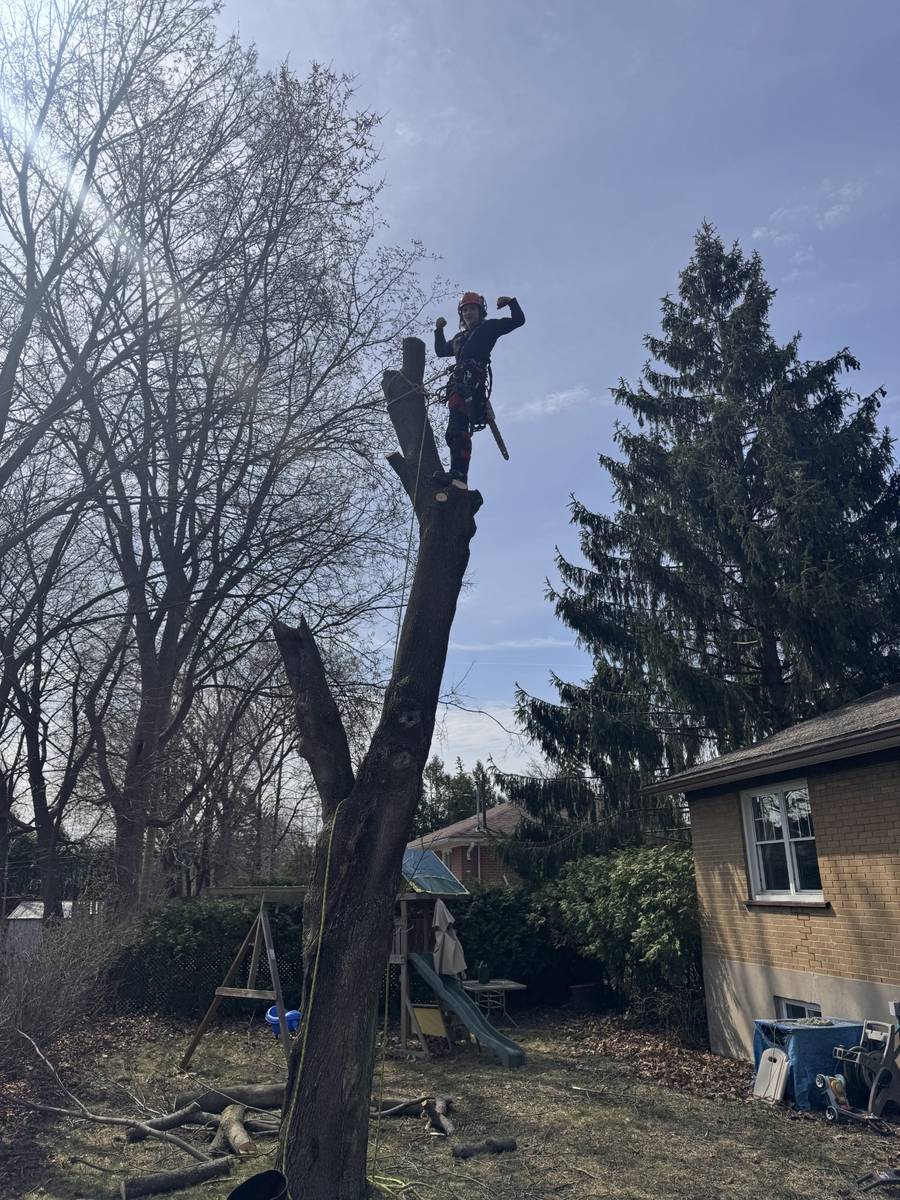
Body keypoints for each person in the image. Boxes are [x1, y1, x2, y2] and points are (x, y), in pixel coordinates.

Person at [433, 291, 525, 489]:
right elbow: (441, 351)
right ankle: (456, 474)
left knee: (458, 430)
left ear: (480, 311)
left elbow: (518, 320)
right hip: (458, 385)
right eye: (465, 310)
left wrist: (511, 302)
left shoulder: (488, 327)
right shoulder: (459, 339)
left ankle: (459, 474)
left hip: (472, 384)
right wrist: (438, 330)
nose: (468, 313)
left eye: (472, 309)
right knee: (452, 432)